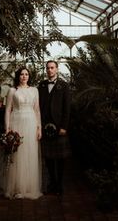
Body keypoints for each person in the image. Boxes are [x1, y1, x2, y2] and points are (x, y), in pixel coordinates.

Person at [3, 66, 42, 199]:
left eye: (26, 74)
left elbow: (37, 110)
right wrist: (7, 128)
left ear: (29, 76)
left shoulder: (34, 90)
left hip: (31, 124)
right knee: (17, 154)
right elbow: (8, 110)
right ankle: (17, 187)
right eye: (22, 74)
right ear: (18, 76)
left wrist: (39, 128)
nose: (24, 76)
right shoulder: (12, 90)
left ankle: (29, 186)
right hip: (17, 123)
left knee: (29, 153)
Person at [38, 60, 71, 196]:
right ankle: (52, 183)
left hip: (59, 127)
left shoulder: (64, 86)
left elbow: (67, 108)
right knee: (49, 158)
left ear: (57, 69)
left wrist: (64, 126)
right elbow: (38, 106)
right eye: (48, 68)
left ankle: (59, 184)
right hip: (45, 127)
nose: (50, 70)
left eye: (52, 68)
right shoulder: (41, 85)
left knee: (61, 158)